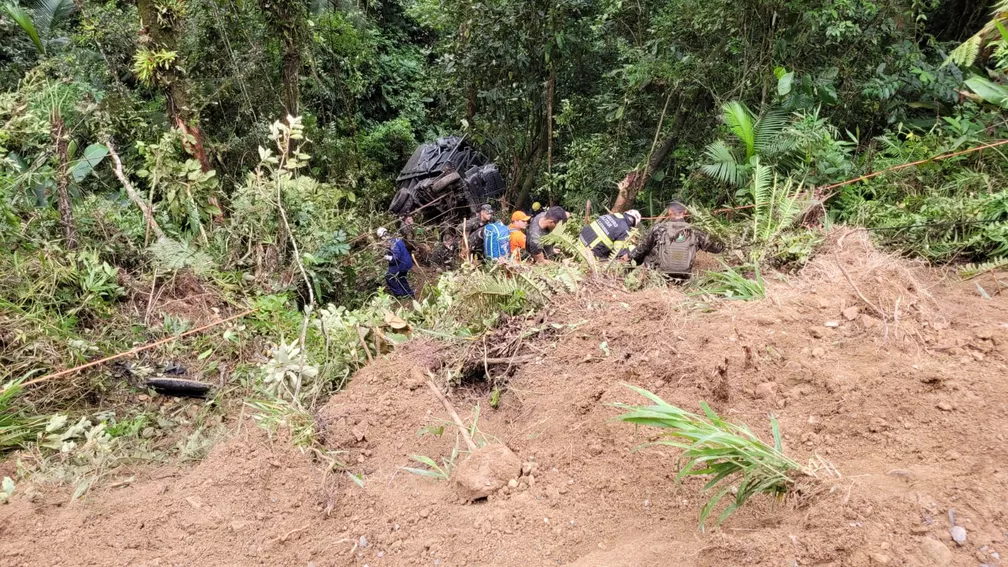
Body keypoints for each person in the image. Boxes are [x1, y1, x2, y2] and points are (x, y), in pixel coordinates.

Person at [630, 201, 725, 279]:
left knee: (649, 253)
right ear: (686, 212)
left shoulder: (659, 228)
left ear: (669, 212)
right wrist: (720, 237)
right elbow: (717, 248)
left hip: (661, 274)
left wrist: (629, 257)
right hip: (684, 274)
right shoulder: (695, 231)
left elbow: (643, 248)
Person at [378, 227, 414, 298]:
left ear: (383, 236)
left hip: (402, 264)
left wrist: (387, 257)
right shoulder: (394, 239)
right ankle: (409, 294)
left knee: (389, 277)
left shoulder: (393, 243)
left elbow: (396, 257)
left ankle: (400, 294)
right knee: (401, 278)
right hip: (406, 262)